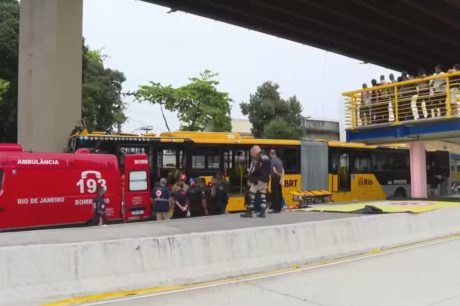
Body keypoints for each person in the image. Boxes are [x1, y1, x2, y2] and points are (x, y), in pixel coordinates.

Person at [241, 145, 271, 218]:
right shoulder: (267, 157)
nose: (252, 156)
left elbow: (254, 169)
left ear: (255, 152)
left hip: (257, 179)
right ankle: (262, 212)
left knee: (251, 193)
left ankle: (249, 212)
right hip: (265, 180)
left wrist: (249, 175)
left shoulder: (257, 158)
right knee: (263, 195)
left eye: (252, 154)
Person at [269, 149, 284, 213]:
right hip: (279, 179)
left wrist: (278, 174)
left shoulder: (272, 161)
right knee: (279, 193)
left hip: (275, 178)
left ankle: (275, 209)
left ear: (271, 154)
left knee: (274, 194)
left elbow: (274, 170)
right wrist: (281, 176)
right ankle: (279, 208)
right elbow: (283, 169)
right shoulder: (280, 160)